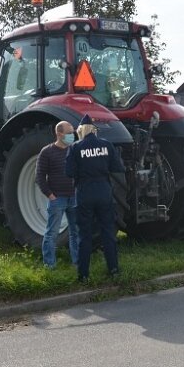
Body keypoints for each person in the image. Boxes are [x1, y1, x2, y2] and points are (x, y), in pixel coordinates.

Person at [65, 114, 125, 282]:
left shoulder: (75, 147)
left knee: (84, 236)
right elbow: (117, 168)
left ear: (81, 131)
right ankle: (113, 269)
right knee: (108, 232)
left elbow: (69, 172)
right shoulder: (106, 145)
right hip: (104, 192)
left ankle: (83, 275)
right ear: (94, 130)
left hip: (84, 193)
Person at [36, 120, 79, 269]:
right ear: (59, 134)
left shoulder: (74, 150)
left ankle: (78, 262)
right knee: (52, 233)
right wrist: (50, 195)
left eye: (73, 133)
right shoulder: (47, 152)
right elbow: (40, 177)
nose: (72, 135)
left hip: (74, 197)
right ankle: (49, 264)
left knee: (76, 232)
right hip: (57, 198)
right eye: (69, 133)